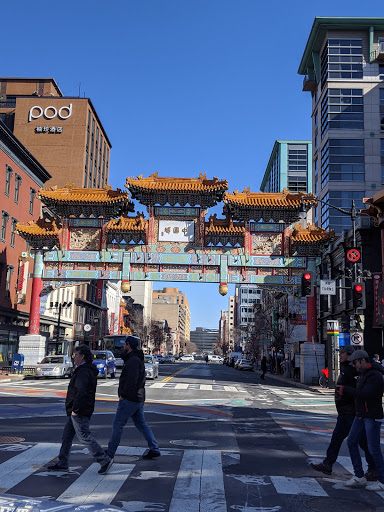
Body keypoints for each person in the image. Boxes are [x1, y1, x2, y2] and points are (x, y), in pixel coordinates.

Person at [311, 346, 376, 480]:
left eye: (342, 353)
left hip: (350, 412)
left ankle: (372, 469)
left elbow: (358, 391)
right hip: (346, 412)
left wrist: (345, 392)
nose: (340, 355)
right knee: (344, 439)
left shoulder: (353, 370)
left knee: (357, 441)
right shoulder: (348, 369)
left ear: (350, 355)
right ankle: (329, 464)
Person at [48, 345, 113, 475]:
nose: (74, 358)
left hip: (79, 409)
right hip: (80, 408)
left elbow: (80, 391)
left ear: (82, 356)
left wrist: (75, 409)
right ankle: (63, 462)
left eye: (75, 355)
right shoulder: (85, 370)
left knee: (84, 436)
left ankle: (104, 459)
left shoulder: (84, 371)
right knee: (67, 436)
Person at [106, 335, 160, 460]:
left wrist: (123, 396)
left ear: (129, 346)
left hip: (130, 399)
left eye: (125, 344)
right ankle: (154, 449)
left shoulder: (133, 361)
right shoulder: (135, 359)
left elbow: (132, 381)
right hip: (137, 398)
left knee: (118, 424)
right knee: (141, 425)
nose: (123, 346)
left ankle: (110, 452)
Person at [337, 349, 384, 491]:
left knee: (373, 448)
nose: (355, 366)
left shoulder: (374, 375)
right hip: (361, 415)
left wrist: (346, 390)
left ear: (363, 361)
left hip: (371, 416)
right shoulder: (363, 375)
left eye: (356, 363)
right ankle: (359, 476)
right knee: (351, 442)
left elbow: (366, 394)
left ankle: (382, 480)